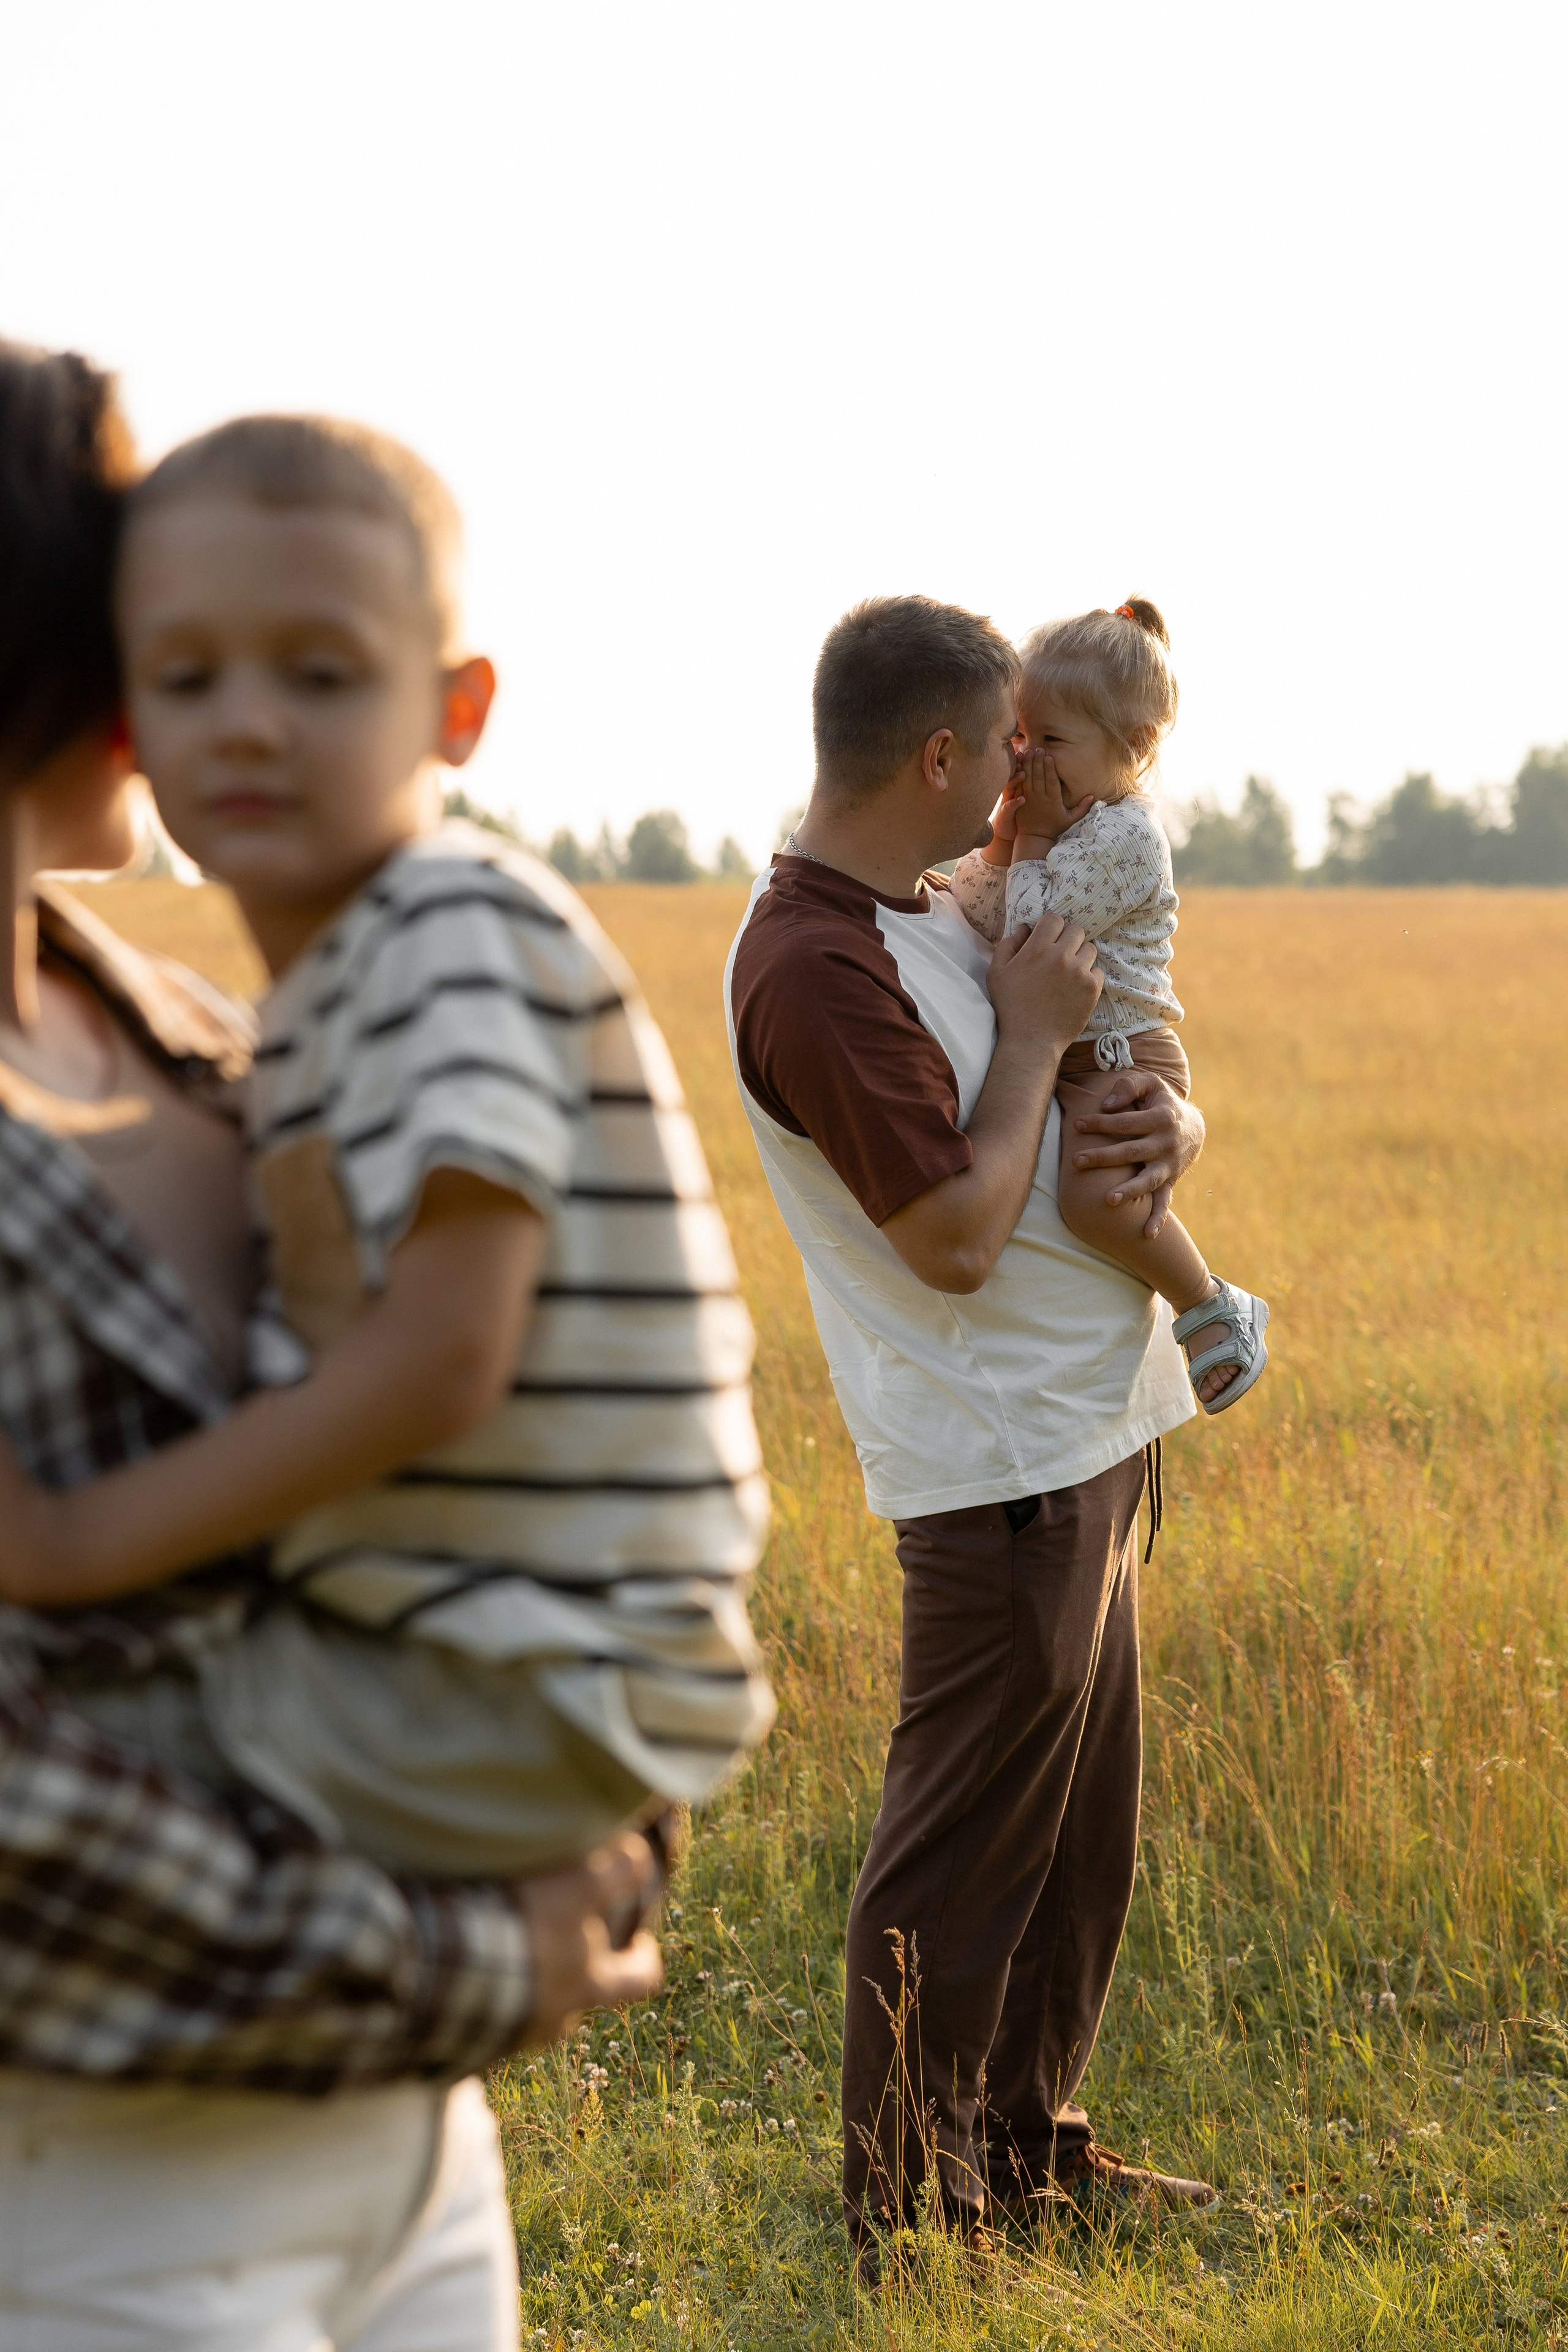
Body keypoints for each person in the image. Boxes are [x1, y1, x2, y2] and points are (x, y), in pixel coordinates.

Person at [0, 342, 660, 2351]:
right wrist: (462, 1947)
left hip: (415, 2176)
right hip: (78, 2207)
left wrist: (606, 1790)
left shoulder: (215, 1030)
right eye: (124, 553)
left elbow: (491, 1460)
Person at [0, 411, 774, 1881]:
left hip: (512, 1670)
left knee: (78, 1762)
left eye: (321, 674)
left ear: (454, 710)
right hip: (480, 1655)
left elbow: (438, 1359)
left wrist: (72, 1546)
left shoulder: (450, 932)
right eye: (186, 678)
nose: (244, 723)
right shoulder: (308, 1002)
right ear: (125, 719)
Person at [725, 595, 1218, 2275]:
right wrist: (1028, 1042)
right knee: (953, 1871)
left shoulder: (927, 901)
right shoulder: (813, 962)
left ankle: (1022, 2152)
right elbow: (949, 1234)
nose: (1034, 773)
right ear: (940, 754)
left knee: (1076, 1852)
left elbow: (1096, 1048)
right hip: (1000, 1467)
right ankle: (911, 2225)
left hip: (1097, 1429)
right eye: (1010, 745)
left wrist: (1174, 1112)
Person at [948, 598, 1268, 1413]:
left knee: (1099, 1203)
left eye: (1052, 741)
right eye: (1020, 738)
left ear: (1137, 747)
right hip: (1078, 1051)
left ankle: (1209, 1305)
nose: (1028, 760)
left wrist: (1033, 842)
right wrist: (1000, 843)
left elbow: (1029, 942)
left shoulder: (1125, 838)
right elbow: (979, 912)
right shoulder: (1056, 823)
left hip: (1123, 1056)